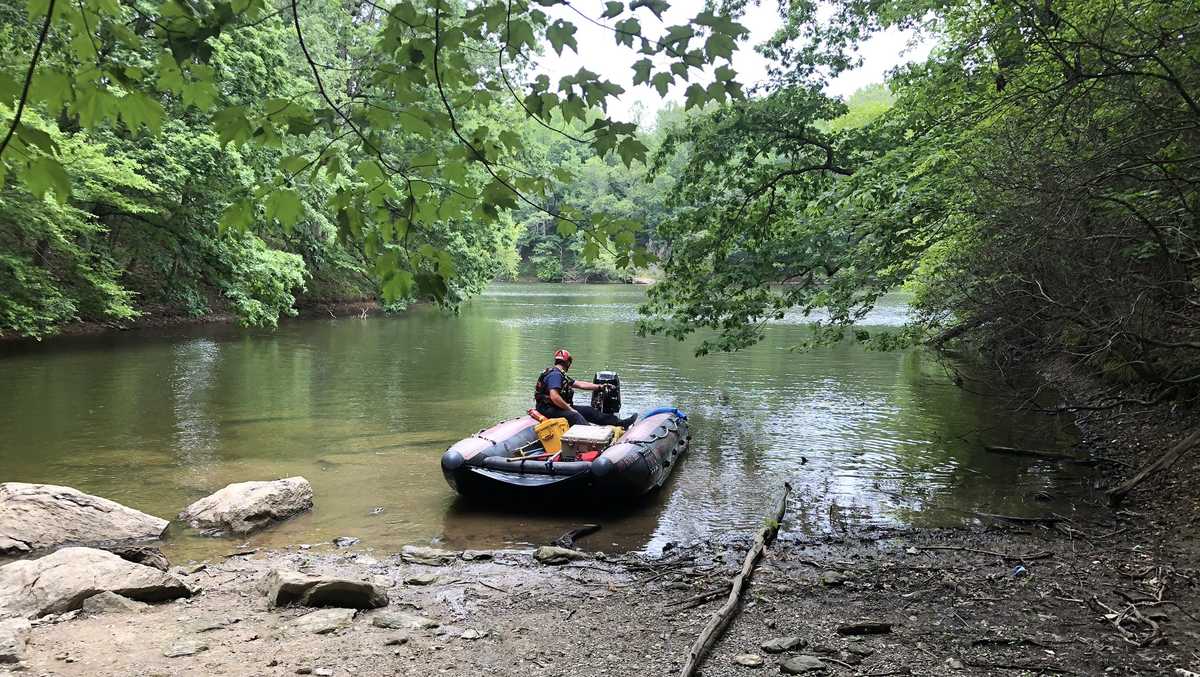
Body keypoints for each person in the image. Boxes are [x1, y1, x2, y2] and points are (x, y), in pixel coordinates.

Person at [534, 349, 637, 428]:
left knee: (589, 411)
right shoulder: (555, 375)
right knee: (576, 416)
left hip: (555, 408)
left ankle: (621, 423)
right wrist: (570, 409)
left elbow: (579, 384)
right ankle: (591, 439)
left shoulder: (559, 374)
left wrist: (599, 387)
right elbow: (554, 396)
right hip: (548, 409)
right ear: (568, 363)